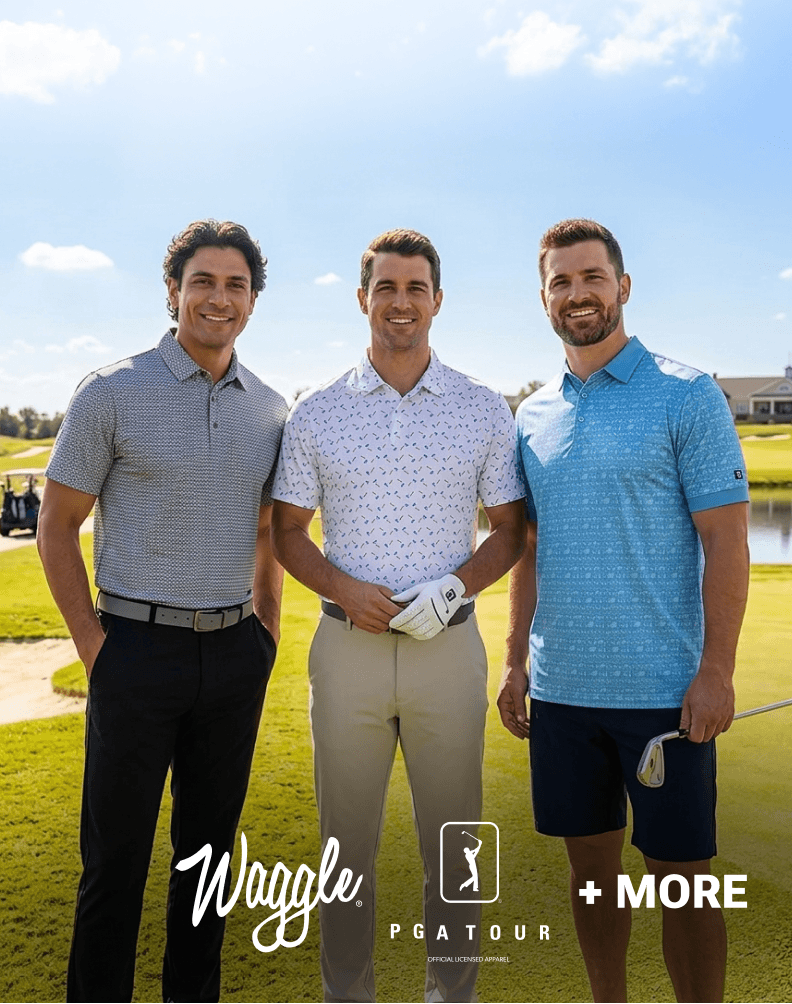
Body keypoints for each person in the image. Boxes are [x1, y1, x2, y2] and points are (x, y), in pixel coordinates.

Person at [497, 219, 750, 1003]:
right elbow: (530, 549)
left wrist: (716, 672)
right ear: (544, 297)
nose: (578, 294)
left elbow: (728, 541)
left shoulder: (687, 393)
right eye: (561, 282)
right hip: (565, 694)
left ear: (622, 286)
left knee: (683, 882)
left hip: (665, 696)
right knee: (591, 877)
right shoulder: (532, 415)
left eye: (591, 277)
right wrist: (513, 661)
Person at [271, 228, 525, 1003]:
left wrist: (456, 587)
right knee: (345, 847)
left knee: (454, 848)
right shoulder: (316, 411)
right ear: (362, 299)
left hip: (447, 651)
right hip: (345, 650)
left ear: (437, 300)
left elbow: (511, 529)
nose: (401, 302)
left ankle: (453, 995)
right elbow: (286, 531)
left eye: (416, 288)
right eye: (386, 287)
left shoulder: (484, 408)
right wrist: (346, 590)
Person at [37, 219, 288, 1004]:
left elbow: (267, 534)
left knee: (206, 865)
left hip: (233, 654)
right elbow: (57, 523)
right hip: (133, 652)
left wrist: (267, 632)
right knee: (114, 864)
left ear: (253, 299)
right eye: (203, 282)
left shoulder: (271, 409)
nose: (220, 298)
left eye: (236, 285)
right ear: (173, 290)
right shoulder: (112, 390)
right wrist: (93, 643)